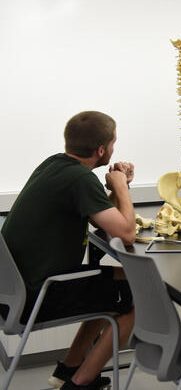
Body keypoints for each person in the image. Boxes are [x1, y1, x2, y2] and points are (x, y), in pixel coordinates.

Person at [1, 111, 137, 390]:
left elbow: (98, 215)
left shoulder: (54, 165)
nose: (113, 148)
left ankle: (69, 367)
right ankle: (79, 383)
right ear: (101, 150)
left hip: (16, 291)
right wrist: (122, 187)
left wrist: (119, 188)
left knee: (120, 282)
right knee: (138, 297)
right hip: (37, 296)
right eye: (112, 143)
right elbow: (126, 233)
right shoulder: (79, 179)